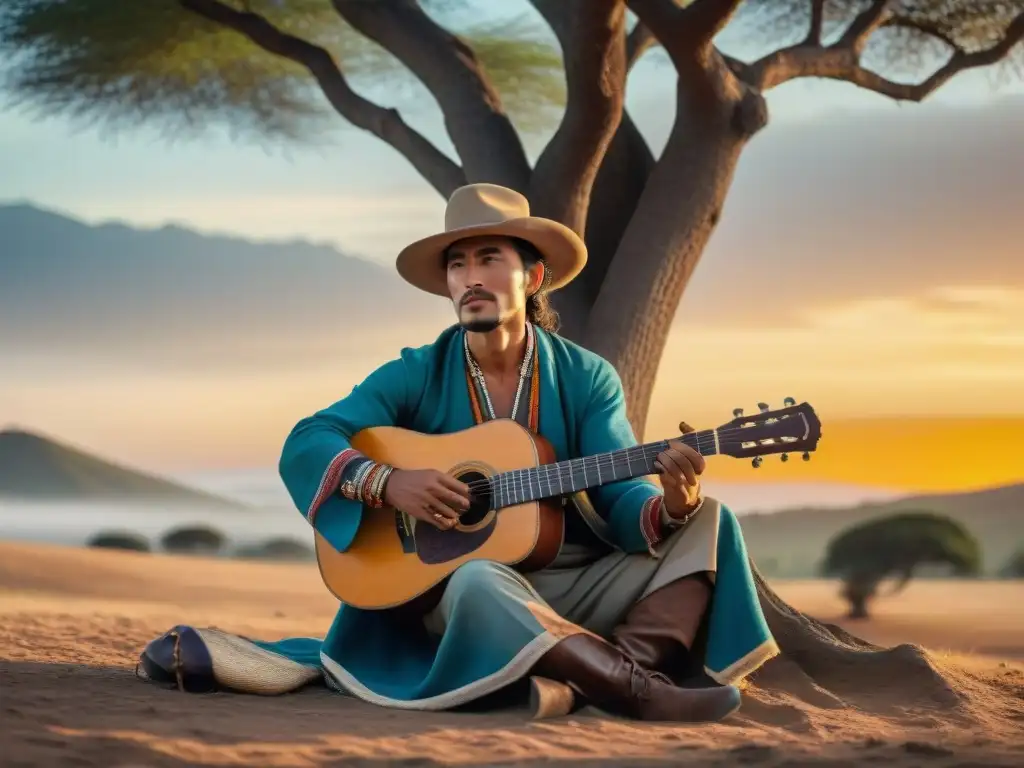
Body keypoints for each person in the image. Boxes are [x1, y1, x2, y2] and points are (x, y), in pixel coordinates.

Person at [136, 183, 779, 722]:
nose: (471, 278)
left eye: (490, 259)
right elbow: (309, 439)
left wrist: (670, 500)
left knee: (711, 520)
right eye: (458, 265)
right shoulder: (416, 372)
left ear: (533, 276)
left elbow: (619, 494)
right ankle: (634, 693)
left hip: (575, 589)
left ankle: (612, 673)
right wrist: (387, 483)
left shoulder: (586, 376)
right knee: (475, 576)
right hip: (463, 600)